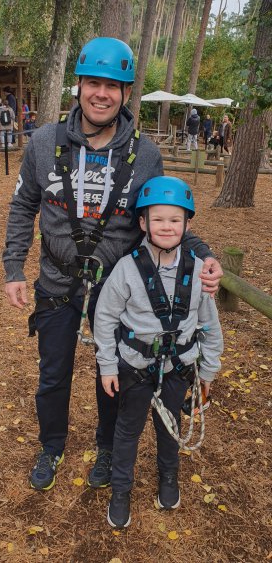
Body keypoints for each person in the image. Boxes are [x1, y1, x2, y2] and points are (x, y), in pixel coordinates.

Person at [3, 37, 223, 493]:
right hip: (57, 281)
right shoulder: (45, 143)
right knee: (53, 372)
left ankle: (106, 449)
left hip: (119, 287)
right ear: (78, 86)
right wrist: (12, 268)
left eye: (113, 86)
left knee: (118, 373)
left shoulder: (144, 156)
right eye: (93, 83)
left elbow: (165, 217)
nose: (101, 94)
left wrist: (205, 254)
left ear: (126, 94)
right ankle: (52, 446)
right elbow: (23, 205)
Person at [94, 176, 223, 529]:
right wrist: (107, 365)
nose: (167, 227)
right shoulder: (127, 269)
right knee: (127, 430)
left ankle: (169, 477)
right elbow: (104, 318)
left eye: (175, 220)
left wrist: (208, 373)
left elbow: (209, 325)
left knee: (170, 428)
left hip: (178, 368)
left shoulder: (197, 272)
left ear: (187, 224)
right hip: (135, 368)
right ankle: (121, 490)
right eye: (159, 219)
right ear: (142, 223)